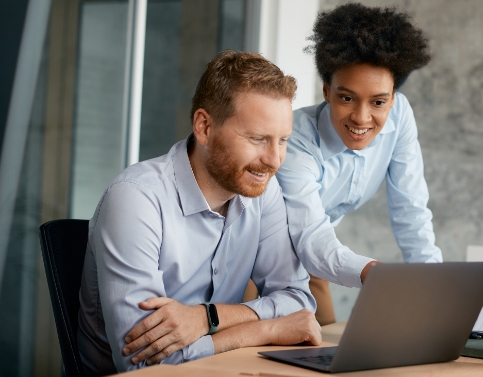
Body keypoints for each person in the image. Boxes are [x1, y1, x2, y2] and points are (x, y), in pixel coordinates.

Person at [77, 51, 321, 376]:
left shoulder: (262, 190)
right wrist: (265, 329)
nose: (274, 160)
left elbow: (298, 300)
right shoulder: (135, 199)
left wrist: (206, 318)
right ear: (204, 127)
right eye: (258, 139)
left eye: (283, 141)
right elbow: (144, 362)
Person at [276, 3, 443, 325]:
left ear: (393, 98)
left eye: (379, 101)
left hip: (318, 258)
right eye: (347, 98)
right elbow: (308, 234)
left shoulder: (400, 115)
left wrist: (434, 284)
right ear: (326, 91)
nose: (362, 117)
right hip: (259, 260)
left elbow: (411, 208)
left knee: (324, 350)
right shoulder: (295, 140)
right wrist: (372, 273)